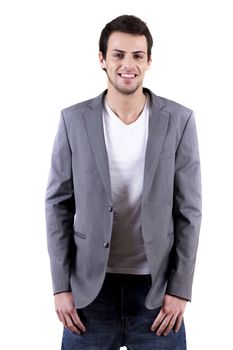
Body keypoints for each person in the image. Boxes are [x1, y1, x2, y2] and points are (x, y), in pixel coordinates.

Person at [45, 14, 202, 350]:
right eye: (118, 54)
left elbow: (189, 210)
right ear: (102, 59)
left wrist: (179, 290)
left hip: (156, 295)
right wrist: (61, 287)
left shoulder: (180, 120)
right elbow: (57, 204)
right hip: (89, 295)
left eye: (137, 55)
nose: (127, 64)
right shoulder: (73, 120)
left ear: (148, 61)